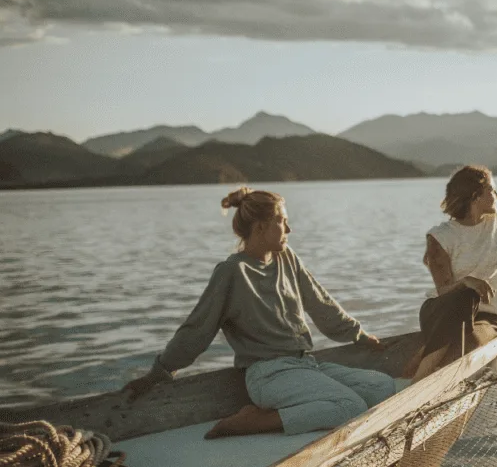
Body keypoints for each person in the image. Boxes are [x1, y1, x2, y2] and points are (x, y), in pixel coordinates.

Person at [123, 187, 402, 439]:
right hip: (268, 374)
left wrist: (360, 336)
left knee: (382, 386)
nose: (289, 229)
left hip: (305, 365)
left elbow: (321, 303)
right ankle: (256, 421)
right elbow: (197, 329)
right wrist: (160, 371)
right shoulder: (232, 272)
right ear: (259, 227)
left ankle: (287, 412)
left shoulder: (287, 258)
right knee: (349, 406)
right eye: (282, 222)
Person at [403, 165, 497, 381]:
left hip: (489, 313)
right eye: (492, 189)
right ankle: (416, 375)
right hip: (445, 311)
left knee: (472, 345)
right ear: (475, 196)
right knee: (465, 297)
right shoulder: (440, 238)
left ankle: (423, 358)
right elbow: (443, 290)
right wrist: (467, 282)